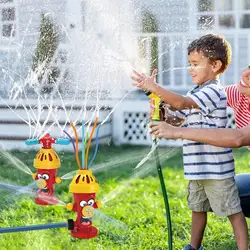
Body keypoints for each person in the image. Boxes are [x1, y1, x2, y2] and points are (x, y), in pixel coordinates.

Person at [131, 34, 248, 250]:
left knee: (233, 212)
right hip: (198, 167)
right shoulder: (197, 92)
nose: (190, 69)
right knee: (198, 208)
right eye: (189, 64)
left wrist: (156, 88)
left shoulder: (214, 91)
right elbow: (180, 117)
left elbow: (182, 103)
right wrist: (160, 107)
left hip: (216, 170)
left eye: (195, 64)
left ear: (215, 65)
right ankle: (194, 247)